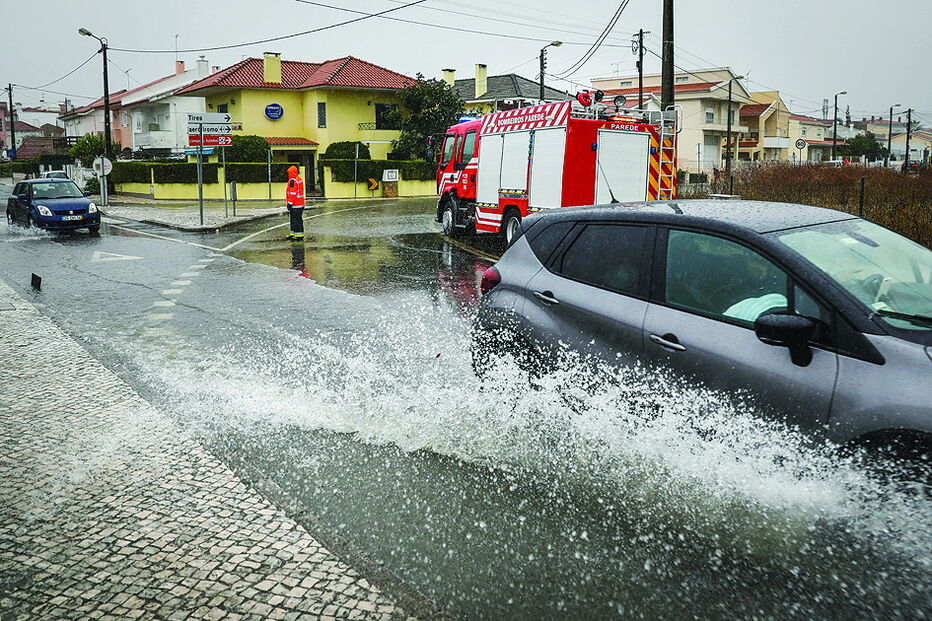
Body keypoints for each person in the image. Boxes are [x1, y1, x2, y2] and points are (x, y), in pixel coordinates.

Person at [285, 165, 305, 240]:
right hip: (300, 204)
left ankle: (298, 236)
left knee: (295, 220)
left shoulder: (293, 181)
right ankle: (294, 234)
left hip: (295, 204)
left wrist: (289, 203)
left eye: (289, 173)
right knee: (297, 220)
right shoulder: (299, 179)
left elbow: (293, 194)